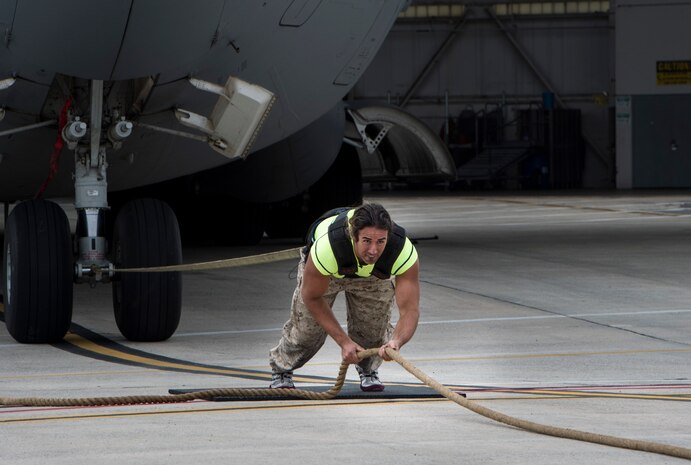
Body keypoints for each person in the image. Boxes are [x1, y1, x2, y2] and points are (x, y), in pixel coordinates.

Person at [269, 203, 420, 391]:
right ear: (353, 236)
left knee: (373, 331)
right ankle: (282, 369)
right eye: (366, 241)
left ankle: (368, 370)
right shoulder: (328, 247)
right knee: (307, 333)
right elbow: (312, 297)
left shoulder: (402, 250)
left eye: (380, 241)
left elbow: (410, 310)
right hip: (329, 271)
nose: (373, 250)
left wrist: (397, 341)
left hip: (373, 277)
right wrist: (344, 342)